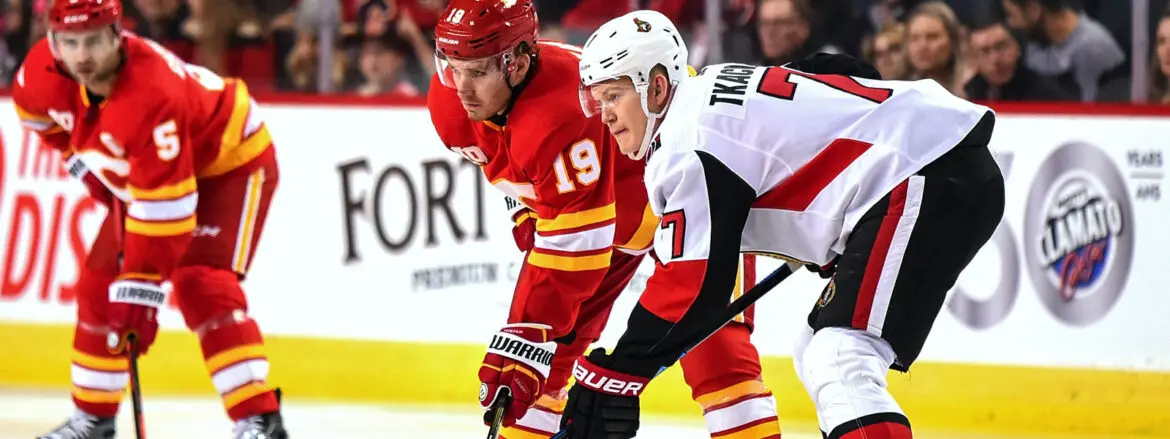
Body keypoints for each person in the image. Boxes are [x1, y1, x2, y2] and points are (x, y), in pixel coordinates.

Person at [560, 10, 1005, 439]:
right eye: (598, 101)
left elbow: (694, 286)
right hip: (935, 165)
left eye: (614, 97)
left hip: (929, 173)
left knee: (841, 357)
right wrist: (843, 221)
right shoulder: (712, 86)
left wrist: (620, 371)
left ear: (657, 88)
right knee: (814, 348)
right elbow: (838, 68)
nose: (606, 116)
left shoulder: (685, 144)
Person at [426, 1, 782, 438]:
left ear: (516, 62)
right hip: (615, 211)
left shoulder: (557, 112)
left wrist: (524, 331)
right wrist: (524, 210)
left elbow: (576, 251)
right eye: (451, 66)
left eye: (477, 72)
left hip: (693, 183)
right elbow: (517, 173)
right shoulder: (450, 106)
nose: (461, 88)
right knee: (546, 360)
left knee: (714, 348)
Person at [13, 1, 286, 437]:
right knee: (99, 282)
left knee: (201, 281)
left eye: (94, 42)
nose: (82, 56)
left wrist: (141, 292)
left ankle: (258, 419)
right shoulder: (40, 75)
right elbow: (42, 122)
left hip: (229, 163)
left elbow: (167, 214)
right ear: (53, 43)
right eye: (70, 43)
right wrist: (86, 165)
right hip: (156, 174)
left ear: (117, 36)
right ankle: (93, 420)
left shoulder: (151, 93)